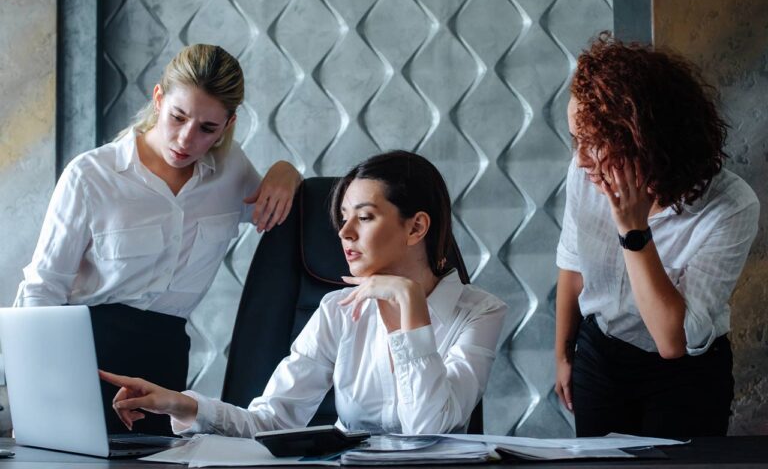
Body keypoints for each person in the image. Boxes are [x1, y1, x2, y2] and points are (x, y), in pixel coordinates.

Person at [100, 150, 508, 436]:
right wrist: (180, 403)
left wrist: (410, 305)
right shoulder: (337, 309)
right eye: (343, 218)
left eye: (364, 217)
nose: (345, 233)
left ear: (416, 227)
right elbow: (271, 421)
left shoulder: (480, 312)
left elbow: (429, 431)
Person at [15, 44, 302, 435]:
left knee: (157, 460)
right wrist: (33, 394)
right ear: (158, 98)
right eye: (178, 117)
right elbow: (43, 287)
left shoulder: (232, 170)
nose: (186, 139)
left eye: (207, 129)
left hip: (165, 364)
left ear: (229, 124)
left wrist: (287, 172)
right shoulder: (91, 175)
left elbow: (275, 210)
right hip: (84, 357)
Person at [554, 33, 759, 437]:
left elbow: (671, 341)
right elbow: (573, 264)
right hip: (601, 353)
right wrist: (563, 353)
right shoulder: (586, 174)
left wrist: (633, 231)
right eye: (577, 140)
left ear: (642, 140)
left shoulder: (731, 206)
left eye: (593, 143)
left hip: (684, 376)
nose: (580, 160)